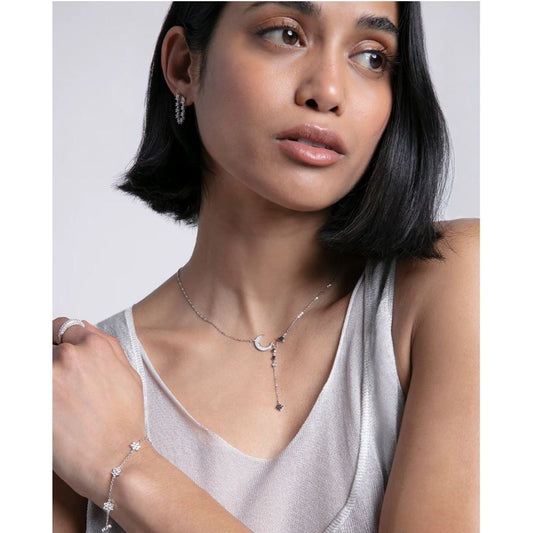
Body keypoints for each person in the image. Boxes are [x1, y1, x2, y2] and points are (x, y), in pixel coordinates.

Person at [53, 2, 479, 532]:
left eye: (371, 56)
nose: (328, 91)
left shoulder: (456, 283)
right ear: (185, 66)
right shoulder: (76, 392)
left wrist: (128, 467)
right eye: (285, 34)